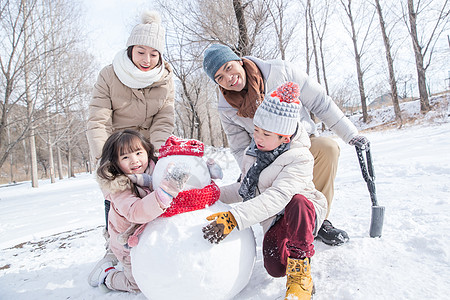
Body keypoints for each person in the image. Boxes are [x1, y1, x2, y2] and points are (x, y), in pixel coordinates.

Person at [202, 44, 369, 246]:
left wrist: (351, 135)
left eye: (228, 67)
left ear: (238, 60)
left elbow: (320, 102)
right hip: (264, 156)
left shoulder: (280, 71)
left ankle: (319, 219)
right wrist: (248, 170)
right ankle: (281, 222)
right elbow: (239, 146)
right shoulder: (226, 107)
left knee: (327, 148)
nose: (228, 78)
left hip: (299, 142)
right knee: (278, 194)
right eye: (219, 77)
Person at [203, 82, 327, 299]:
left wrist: (234, 218)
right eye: (256, 130)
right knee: (275, 268)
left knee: (297, 201)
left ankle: (300, 274)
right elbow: (243, 188)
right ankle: (291, 258)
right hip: (272, 218)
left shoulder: (300, 158)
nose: (258, 138)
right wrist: (209, 195)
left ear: (285, 138)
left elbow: (278, 197)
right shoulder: (254, 153)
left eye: (266, 134)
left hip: (302, 211)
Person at [86, 10, 174, 237]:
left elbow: (164, 118)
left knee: (153, 197)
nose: (147, 59)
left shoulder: (165, 78)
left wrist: (153, 154)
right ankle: (113, 243)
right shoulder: (109, 75)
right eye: (141, 52)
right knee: (118, 197)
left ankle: (154, 239)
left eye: (154, 54)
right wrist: (106, 159)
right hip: (117, 150)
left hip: (148, 149)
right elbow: (99, 118)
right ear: (130, 50)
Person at [87, 129, 189, 292]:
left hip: (151, 236)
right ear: (114, 162)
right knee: (138, 284)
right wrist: (163, 193)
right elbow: (135, 212)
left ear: (147, 151)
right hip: (128, 243)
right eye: (125, 157)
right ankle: (107, 277)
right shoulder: (119, 188)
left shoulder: (157, 170)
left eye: (138, 153)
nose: (134, 161)